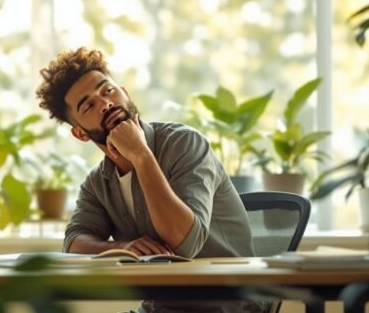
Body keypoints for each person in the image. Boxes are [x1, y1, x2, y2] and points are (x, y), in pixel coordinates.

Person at [35, 47, 265, 313]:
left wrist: (141, 156)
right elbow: (74, 243)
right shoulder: (98, 183)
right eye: (88, 105)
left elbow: (185, 243)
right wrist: (123, 247)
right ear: (80, 133)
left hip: (227, 306)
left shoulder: (185, 144)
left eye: (107, 91)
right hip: (160, 307)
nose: (105, 103)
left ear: (125, 93)